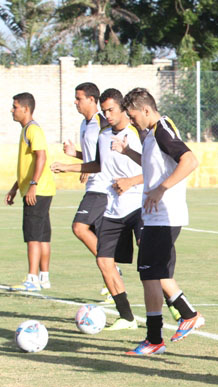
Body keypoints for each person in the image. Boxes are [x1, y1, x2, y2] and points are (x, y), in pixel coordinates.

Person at [116, 88, 203, 355]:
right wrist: (129, 152)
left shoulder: (163, 129)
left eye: (132, 116)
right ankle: (186, 316)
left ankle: (155, 338)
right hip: (156, 217)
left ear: (145, 110)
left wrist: (161, 189)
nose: (131, 121)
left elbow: (189, 160)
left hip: (164, 216)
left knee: (150, 275)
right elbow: (154, 166)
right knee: (155, 274)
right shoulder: (152, 134)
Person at [51, 88, 144, 331]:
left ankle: (176, 306)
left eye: (111, 110)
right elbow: (98, 161)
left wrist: (131, 181)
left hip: (127, 199)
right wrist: (72, 162)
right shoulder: (98, 131)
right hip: (110, 198)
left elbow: (155, 167)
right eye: (105, 111)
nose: (108, 115)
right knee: (103, 258)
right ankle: (127, 316)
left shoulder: (131, 131)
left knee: (147, 258)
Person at [6, 92, 56, 291]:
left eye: (15, 106)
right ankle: (44, 277)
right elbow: (27, 165)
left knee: (33, 235)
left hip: (38, 190)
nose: (12, 109)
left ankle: (32, 278)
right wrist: (14, 187)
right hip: (41, 189)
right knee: (43, 235)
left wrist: (33, 185)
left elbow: (41, 157)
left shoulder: (33, 130)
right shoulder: (26, 130)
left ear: (26, 109)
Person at [64, 83, 109, 259]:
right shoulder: (85, 124)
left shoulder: (102, 123)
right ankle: (111, 277)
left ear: (92, 99)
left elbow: (106, 157)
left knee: (79, 227)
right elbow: (93, 156)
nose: (75, 102)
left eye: (79, 98)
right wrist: (75, 154)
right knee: (97, 235)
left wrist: (72, 168)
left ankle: (111, 267)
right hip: (92, 187)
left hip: (102, 187)